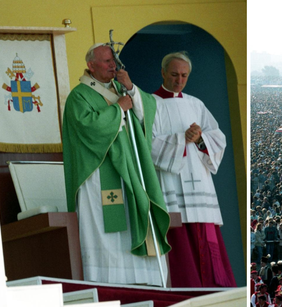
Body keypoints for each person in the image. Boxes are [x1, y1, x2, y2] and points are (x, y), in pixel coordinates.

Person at [62, 43, 171, 285]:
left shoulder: (121, 89)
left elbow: (147, 115)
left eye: (114, 61)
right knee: (107, 230)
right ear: (91, 66)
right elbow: (88, 128)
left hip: (129, 171)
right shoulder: (79, 95)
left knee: (134, 219)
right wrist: (117, 110)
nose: (113, 66)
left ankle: (143, 281)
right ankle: (107, 283)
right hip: (99, 174)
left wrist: (131, 89)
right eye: (106, 62)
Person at [150, 51, 235, 287]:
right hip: (171, 181)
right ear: (163, 73)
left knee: (205, 238)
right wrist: (181, 139)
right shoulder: (150, 104)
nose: (179, 80)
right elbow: (148, 144)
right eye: (175, 74)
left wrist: (199, 139)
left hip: (199, 180)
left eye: (184, 76)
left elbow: (217, 138)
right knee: (179, 243)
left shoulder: (195, 104)